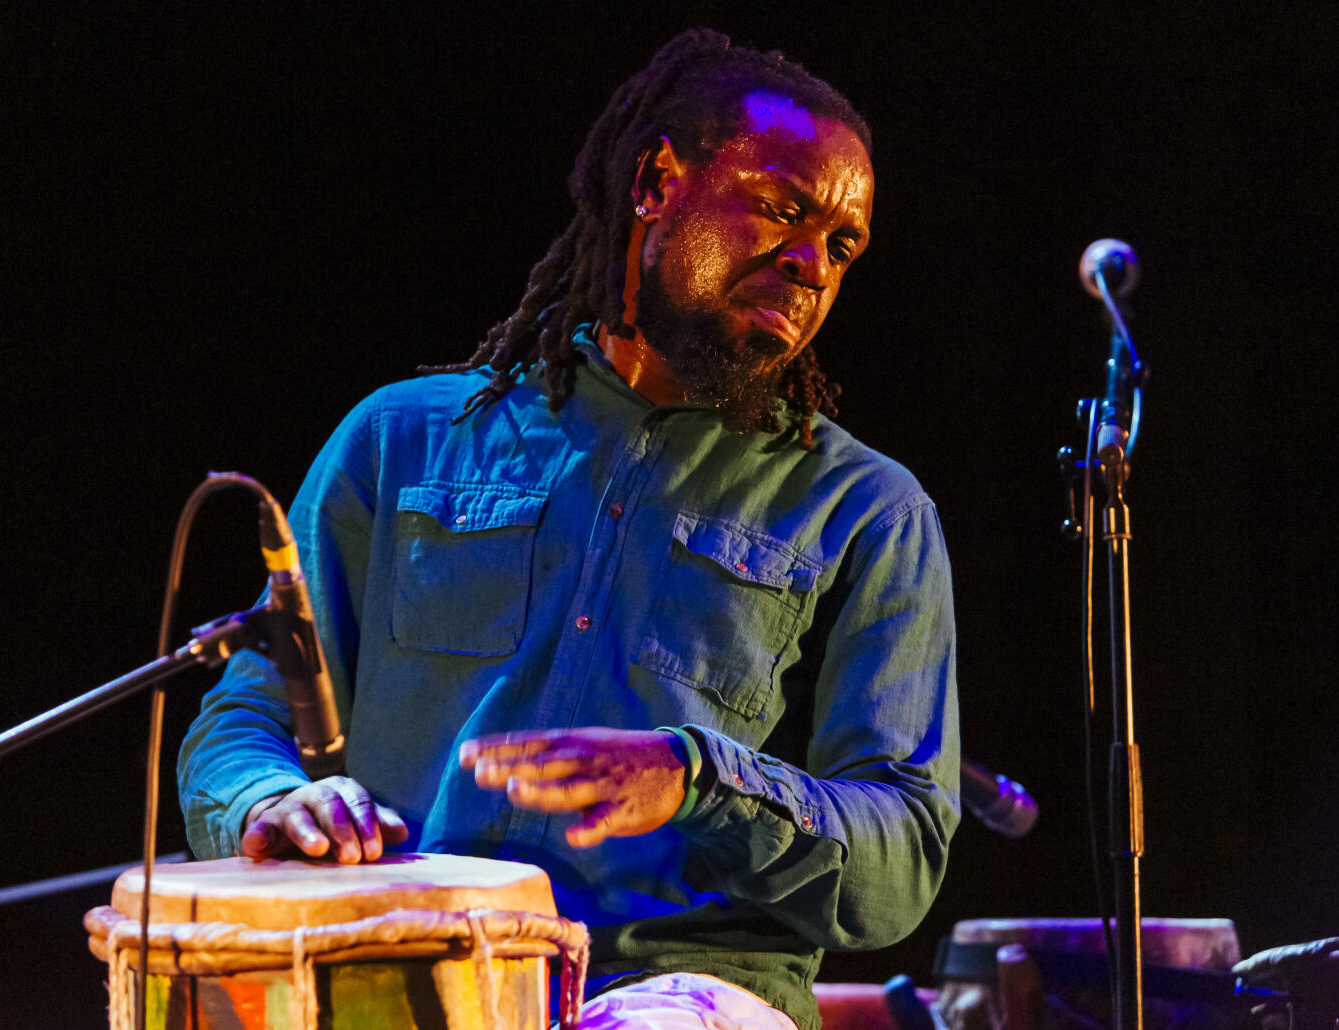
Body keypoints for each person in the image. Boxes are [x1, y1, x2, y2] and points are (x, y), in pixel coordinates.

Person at [178, 28, 959, 1030]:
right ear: (655, 182)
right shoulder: (402, 440)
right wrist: (265, 801)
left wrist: (695, 778)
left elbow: (897, 860)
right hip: (398, 969)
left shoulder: (867, 511)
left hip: (677, 992)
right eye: (780, 208)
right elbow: (245, 714)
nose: (810, 262)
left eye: (839, 245)